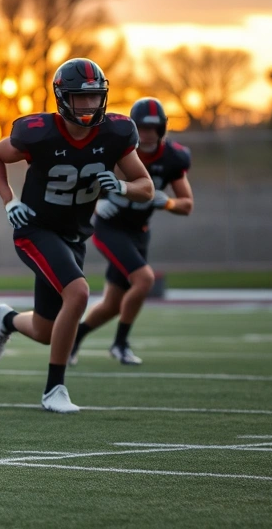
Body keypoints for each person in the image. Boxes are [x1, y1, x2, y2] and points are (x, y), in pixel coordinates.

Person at [0, 58, 154, 413]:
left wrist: (122, 185)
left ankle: (7, 319)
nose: (89, 105)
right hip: (34, 228)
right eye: (81, 98)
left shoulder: (116, 133)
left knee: (47, 331)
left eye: (95, 97)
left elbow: (146, 187)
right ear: (63, 98)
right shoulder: (39, 131)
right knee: (78, 292)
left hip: (74, 234)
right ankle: (54, 390)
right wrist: (9, 200)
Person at [69, 97, 193, 365]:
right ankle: (120, 344)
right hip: (110, 228)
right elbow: (76, 181)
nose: (148, 135)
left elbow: (187, 204)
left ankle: (74, 339)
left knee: (113, 304)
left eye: (153, 128)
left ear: (162, 129)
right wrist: (96, 204)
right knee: (144, 279)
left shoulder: (172, 157)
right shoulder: (115, 149)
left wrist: (169, 202)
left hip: (139, 231)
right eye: (143, 128)